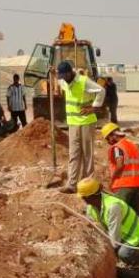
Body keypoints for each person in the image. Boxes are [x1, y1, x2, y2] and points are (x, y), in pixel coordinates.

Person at [57, 61, 105, 193]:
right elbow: (59, 82)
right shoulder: (64, 82)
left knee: (87, 155)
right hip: (73, 124)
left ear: (69, 73)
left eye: (64, 76)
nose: (63, 80)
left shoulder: (83, 81)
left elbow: (101, 91)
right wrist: (51, 73)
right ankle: (72, 185)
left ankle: (88, 184)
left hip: (86, 122)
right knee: (74, 154)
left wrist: (94, 107)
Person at [77, 177, 139, 265]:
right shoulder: (91, 208)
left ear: (89, 196)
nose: (82, 199)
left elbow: (115, 239)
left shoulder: (113, 206)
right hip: (122, 235)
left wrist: (111, 255)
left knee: (124, 254)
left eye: (83, 197)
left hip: (135, 236)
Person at [100, 122, 139, 215]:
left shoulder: (118, 147)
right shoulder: (133, 145)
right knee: (135, 214)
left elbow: (120, 164)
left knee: (121, 213)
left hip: (124, 185)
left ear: (112, 135)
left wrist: (113, 179)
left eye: (108, 138)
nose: (108, 142)